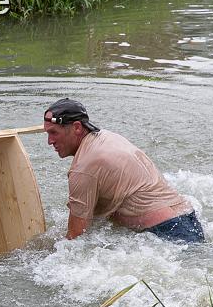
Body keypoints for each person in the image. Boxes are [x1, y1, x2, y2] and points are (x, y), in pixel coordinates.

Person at [43, 98, 204, 243]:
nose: (49, 141)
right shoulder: (107, 137)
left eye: (54, 133)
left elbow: (75, 239)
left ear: (77, 127)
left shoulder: (84, 168)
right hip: (189, 219)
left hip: (167, 234)